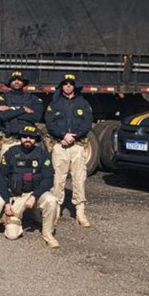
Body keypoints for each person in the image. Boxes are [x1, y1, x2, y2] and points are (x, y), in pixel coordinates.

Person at [0, 126, 60, 248]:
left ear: (36, 140)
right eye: (25, 136)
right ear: (20, 138)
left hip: (35, 193)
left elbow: (48, 179)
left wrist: (34, 196)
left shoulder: (42, 154)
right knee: (11, 235)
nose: (28, 139)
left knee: (52, 200)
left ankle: (48, 233)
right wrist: (6, 202)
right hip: (17, 195)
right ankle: (11, 218)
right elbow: (1, 179)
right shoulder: (10, 153)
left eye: (31, 137)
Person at [44, 74, 93, 227]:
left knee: (79, 178)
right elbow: (49, 123)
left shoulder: (83, 103)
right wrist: (62, 135)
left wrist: (74, 136)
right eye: (65, 84)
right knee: (59, 179)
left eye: (71, 84)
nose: (68, 86)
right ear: (61, 86)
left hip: (77, 146)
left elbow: (87, 122)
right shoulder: (55, 104)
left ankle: (80, 212)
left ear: (75, 86)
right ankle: (56, 211)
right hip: (60, 145)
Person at [0, 71, 44, 157]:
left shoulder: (33, 99)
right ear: (9, 83)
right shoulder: (2, 98)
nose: (17, 82)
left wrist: (11, 109)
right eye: (14, 80)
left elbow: (36, 117)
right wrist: (23, 109)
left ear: (24, 83)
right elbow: (3, 116)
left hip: (28, 140)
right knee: (5, 168)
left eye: (19, 80)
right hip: (9, 140)